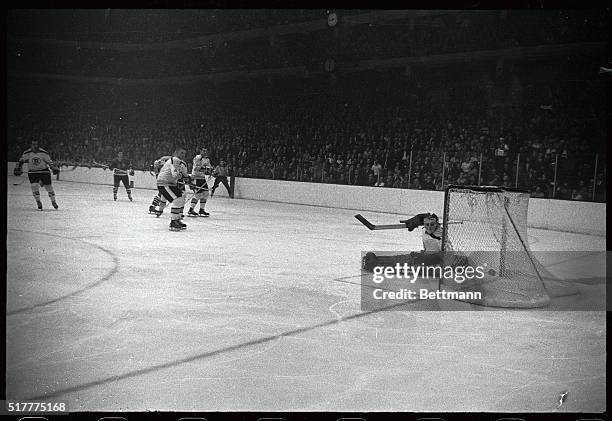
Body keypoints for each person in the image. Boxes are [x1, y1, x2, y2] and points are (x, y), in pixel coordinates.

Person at [362, 213, 442, 271]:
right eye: (427, 224)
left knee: (398, 262)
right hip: (423, 256)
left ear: (437, 224)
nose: (429, 227)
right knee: (398, 258)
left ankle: (374, 264)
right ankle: (375, 259)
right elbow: (427, 217)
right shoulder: (427, 228)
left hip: (427, 260)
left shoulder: (439, 236)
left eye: (432, 224)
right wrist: (416, 220)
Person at [14, 139, 59, 210]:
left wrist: (53, 168)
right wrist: (18, 168)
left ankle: (53, 201)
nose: (35, 146)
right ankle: (38, 201)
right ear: (31, 145)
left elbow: (49, 162)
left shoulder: (43, 152)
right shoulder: (27, 152)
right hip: (33, 172)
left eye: (36, 144)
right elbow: (21, 160)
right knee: (34, 186)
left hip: (44, 171)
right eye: (33, 144)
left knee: (48, 187)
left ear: (38, 145)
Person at [155, 147, 190, 231]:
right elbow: (175, 175)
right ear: (176, 152)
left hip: (169, 183)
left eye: (184, 154)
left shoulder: (178, 162)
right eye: (181, 153)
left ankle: (177, 219)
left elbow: (184, 175)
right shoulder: (175, 159)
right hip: (164, 183)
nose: (183, 155)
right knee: (178, 199)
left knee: (181, 197)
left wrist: (187, 177)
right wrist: (185, 177)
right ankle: (174, 221)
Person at [187, 147, 211, 217]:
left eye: (206, 151)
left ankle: (201, 210)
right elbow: (196, 168)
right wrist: (207, 170)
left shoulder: (207, 159)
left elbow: (209, 168)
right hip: (196, 178)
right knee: (198, 194)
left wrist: (212, 171)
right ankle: (191, 209)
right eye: (203, 151)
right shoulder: (197, 157)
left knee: (206, 193)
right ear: (200, 151)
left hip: (202, 178)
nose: (205, 152)